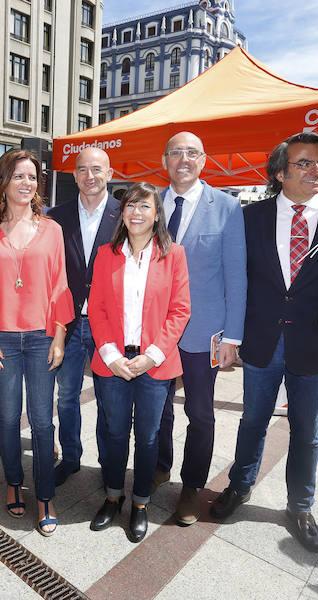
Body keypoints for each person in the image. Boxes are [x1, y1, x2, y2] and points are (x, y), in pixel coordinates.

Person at [210, 132, 318, 553]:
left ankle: (300, 507)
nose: (314, 169)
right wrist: (229, 334)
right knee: (253, 421)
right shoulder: (252, 217)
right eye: (303, 163)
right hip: (263, 338)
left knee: (307, 430)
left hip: (313, 340)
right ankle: (240, 486)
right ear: (280, 172)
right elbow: (236, 278)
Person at [0, 149, 73, 536]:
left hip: (42, 336)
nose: (26, 183)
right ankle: (14, 483)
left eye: (32, 177)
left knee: (43, 421)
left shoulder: (52, 230)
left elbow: (61, 285)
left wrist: (61, 334)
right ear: (3, 182)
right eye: (18, 176)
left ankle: (45, 495)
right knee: (9, 418)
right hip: (2, 337)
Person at [152, 131, 247, 526]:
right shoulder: (148, 204)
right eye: (176, 153)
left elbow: (236, 276)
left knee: (200, 412)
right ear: (165, 160)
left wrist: (232, 337)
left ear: (204, 160)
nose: (184, 159)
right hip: (154, 330)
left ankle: (191, 486)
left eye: (192, 153)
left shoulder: (227, 207)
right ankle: (159, 467)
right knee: (157, 410)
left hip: (202, 332)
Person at [87, 183, 190, 543]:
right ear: (122, 213)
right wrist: (112, 354)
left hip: (155, 363)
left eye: (145, 206)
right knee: (115, 434)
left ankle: (141, 504)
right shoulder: (105, 254)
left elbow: (180, 310)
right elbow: (96, 308)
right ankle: (113, 496)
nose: (137, 212)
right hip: (113, 361)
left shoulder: (173, 254)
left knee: (147, 437)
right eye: (131, 205)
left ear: (157, 213)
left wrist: (152, 355)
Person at [47, 147, 121, 487]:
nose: (89, 176)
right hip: (69, 323)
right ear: (74, 176)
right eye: (82, 170)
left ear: (109, 173)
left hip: (110, 325)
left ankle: (109, 466)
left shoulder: (126, 215)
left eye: (97, 169)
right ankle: (72, 458)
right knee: (66, 396)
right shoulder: (55, 217)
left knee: (109, 400)